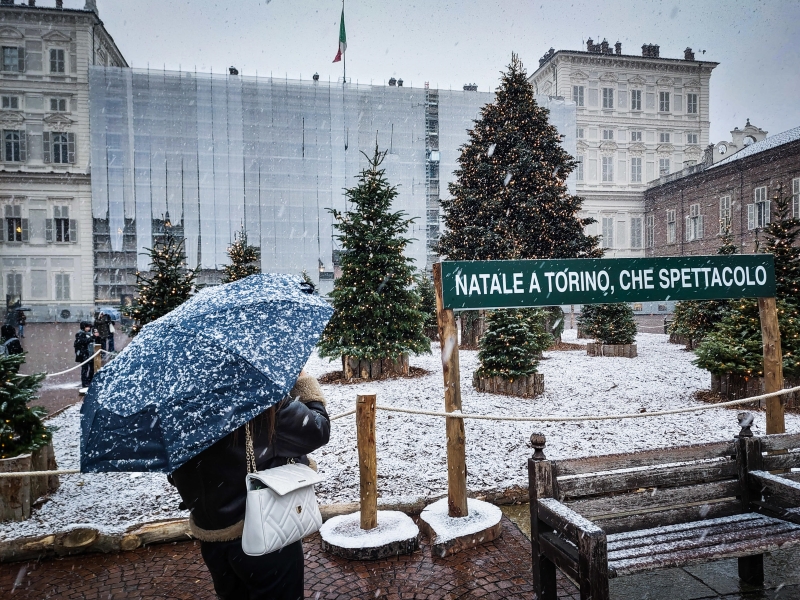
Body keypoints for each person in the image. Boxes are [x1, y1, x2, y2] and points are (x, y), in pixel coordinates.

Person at [169, 371, 330, 600]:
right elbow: (318, 430)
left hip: (212, 538)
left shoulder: (177, 401)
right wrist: (303, 383)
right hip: (264, 531)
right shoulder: (254, 392)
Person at [74, 321, 95, 388]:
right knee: (85, 369)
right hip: (84, 354)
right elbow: (82, 341)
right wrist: (92, 338)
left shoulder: (89, 333)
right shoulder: (80, 334)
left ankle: (89, 380)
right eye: (87, 327)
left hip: (90, 353)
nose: (89, 328)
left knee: (92, 368)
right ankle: (84, 382)